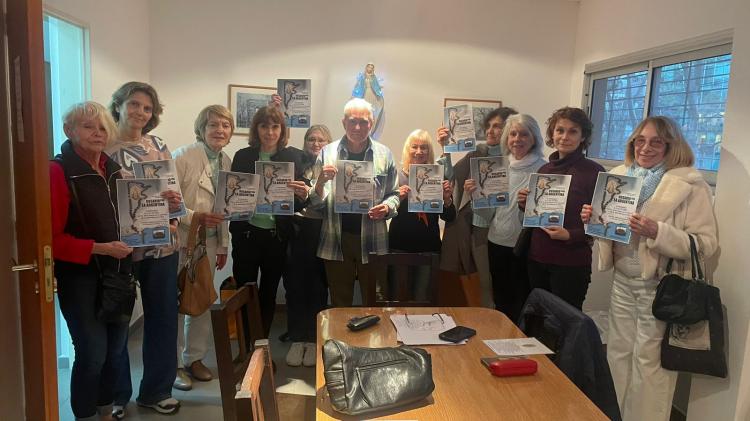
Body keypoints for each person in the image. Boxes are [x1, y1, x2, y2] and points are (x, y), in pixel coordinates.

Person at [580, 116, 717, 421]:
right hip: (623, 281)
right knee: (617, 354)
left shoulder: (690, 186)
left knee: (651, 364)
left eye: (657, 141)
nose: (646, 147)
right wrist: (593, 219)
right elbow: (610, 233)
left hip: (660, 287)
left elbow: (705, 244)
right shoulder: (621, 176)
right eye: (640, 140)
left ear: (671, 145)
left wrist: (659, 232)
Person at [50, 101, 134, 421]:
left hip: (118, 274)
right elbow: (53, 241)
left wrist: (156, 225)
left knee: (114, 354)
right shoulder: (58, 171)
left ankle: (104, 411)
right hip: (80, 278)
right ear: (69, 131)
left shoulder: (114, 170)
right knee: (93, 354)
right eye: (88, 127)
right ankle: (85, 416)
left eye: (102, 128)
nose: (97, 133)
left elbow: (130, 221)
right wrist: (100, 249)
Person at [105, 82, 181, 417]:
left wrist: (175, 205)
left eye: (147, 108)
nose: (140, 112)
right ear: (118, 105)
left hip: (161, 247)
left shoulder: (159, 146)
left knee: (163, 318)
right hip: (120, 247)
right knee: (118, 322)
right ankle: (117, 395)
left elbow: (173, 195)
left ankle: (156, 390)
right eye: (134, 104)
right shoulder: (103, 147)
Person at [309, 98, 400, 307]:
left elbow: (394, 193)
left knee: (376, 299)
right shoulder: (327, 153)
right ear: (343, 123)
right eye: (352, 121)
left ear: (372, 123)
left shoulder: (384, 154)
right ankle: (342, 341)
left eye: (364, 122)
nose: (357, 127)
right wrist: (321, 181)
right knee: (340, 302)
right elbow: (315, 202)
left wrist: (387, 207)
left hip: (373, 238)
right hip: (336, 238)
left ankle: (376, 341)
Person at [229, 106, 307, 337]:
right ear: (256, 128)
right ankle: (247, 348)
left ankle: (260, 347)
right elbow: (232, 197)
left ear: (282, 130)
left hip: (277, 237)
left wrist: (303, 194)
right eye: (264, 126)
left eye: (275, 126)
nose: (270, 132)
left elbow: (299, 202)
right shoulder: (243, 156)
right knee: (244, 292)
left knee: (269, 293)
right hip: (247, 235)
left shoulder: (292, 156)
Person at [171, 105, 233, 390]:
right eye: (213, 125)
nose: (219, 130)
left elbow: (225, 207)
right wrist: (194, 217)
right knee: (175, 304)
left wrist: (223, 245)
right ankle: (171, 366)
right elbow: (169, 202)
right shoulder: (182, 157)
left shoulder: (227, 161)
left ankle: (194, 359)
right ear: (201, 128)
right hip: (182, 242)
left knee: (203, 300)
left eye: (225, 125)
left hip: (208, 243)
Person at [516, 107, 604, 311]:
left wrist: (570, 235)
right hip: (537, 258)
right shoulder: (544, 170)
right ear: (552, 134)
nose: (565, 137)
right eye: (559, 130)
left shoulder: (594, 172)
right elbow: (537, 214)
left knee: (566, 324)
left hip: (571, 262)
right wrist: (525, 205)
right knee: (539, 321)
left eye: (573, 131)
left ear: (583, 136)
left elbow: (603, 225)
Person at [465, 114, 546, 322]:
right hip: (497, 241)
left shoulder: (543, 170)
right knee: (501, 299)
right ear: (506, 139)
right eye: (513, 134)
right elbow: (487, 214)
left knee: (525, 300)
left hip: (527, 246)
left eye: (524, 134)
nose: (517, 139)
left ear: (534, 138)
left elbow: (546, 216)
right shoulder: (497, 168)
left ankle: (522, 346)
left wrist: (526, 207)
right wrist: (477, 196)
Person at [437, 107, 518, 308]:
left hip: (504, 230)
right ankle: (487, 324)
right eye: (488, 126)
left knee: (502, 283)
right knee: (483, 282)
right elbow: (451, 175)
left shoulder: (515, 160)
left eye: (497, 126)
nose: (490, 131)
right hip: (477, 228)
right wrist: (445, 147)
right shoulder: (477, 152)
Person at [283, 124, 332, 367]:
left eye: (321, 140)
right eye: (311, 139)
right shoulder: (295, 165)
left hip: (322, 231)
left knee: (318, 286)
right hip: (297, 230)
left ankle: (314, 340)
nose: (315, 143)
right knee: (294, 285)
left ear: (328, 143)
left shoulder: (333, 167)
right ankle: (297, 338)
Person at [387, 129, 455, 300]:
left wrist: (447, 200)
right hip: (399, 247)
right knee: (398, 299)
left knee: (422, 300)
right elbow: (384, 213)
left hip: (428, 248)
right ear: (407, 149)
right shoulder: (396, 176)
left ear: (429, 151)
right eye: (414, 147)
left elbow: (449, 217)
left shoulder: (436, 176)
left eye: (424, 147)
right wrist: (398, 197)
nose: (418, 152)